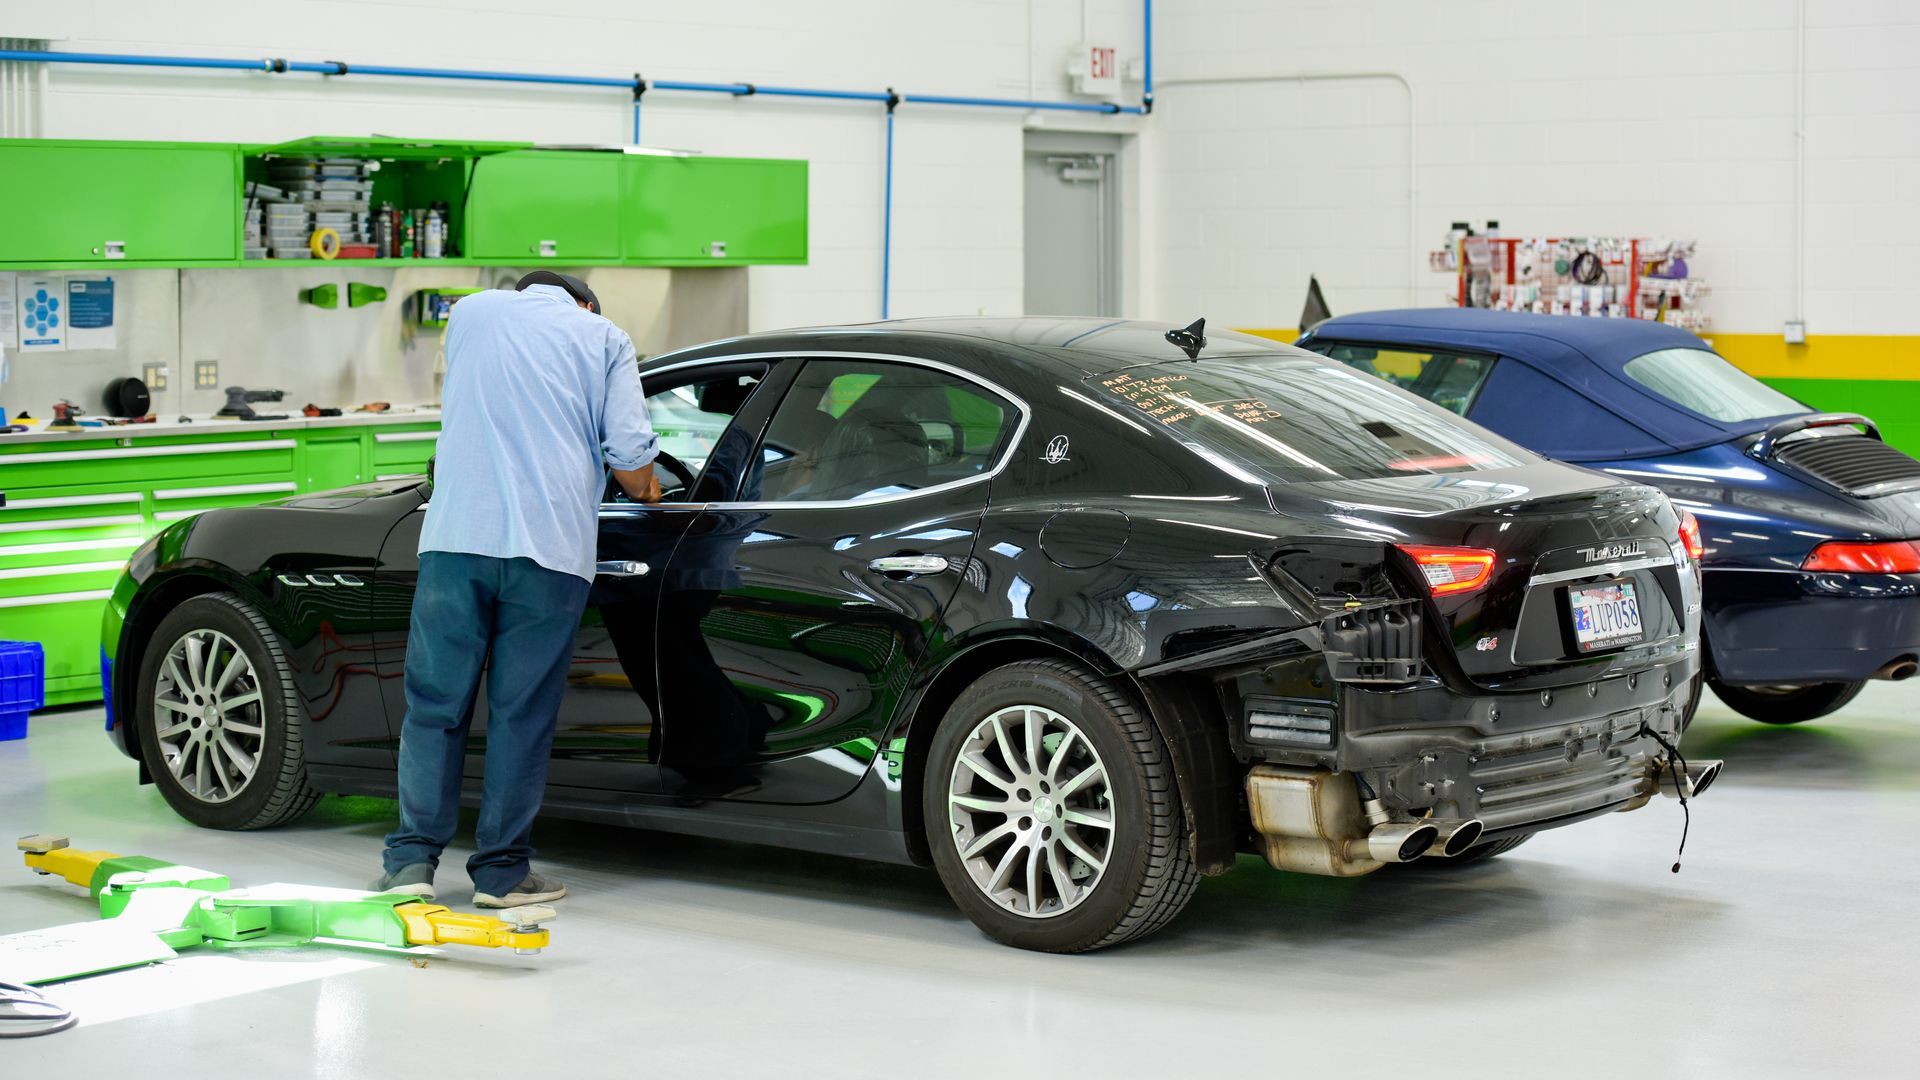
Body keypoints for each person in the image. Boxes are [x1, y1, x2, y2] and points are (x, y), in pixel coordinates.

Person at [374, 270, 659, 908]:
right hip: (547, 551)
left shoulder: (472, 313)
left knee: (434, 709)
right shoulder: (604, 337)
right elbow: (633, 463)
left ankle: (410, 867)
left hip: (456, 543)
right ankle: (501, 875)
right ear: (585, 302)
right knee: (519, 716)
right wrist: (649, 489)